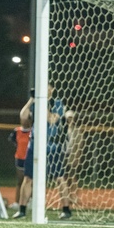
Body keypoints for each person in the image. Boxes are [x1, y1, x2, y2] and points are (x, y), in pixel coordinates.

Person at [13, 84, 74, 220]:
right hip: (34, 145)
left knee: (59, 177)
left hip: (52, 146)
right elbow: (23, 117)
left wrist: (43, 103)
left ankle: (66, 209)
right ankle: (22, 209)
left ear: (52, 90)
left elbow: (52, 119)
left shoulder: (57, 103)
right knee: (28, 178)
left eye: (47, 87)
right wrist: (32, 100)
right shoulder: (35, 103)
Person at [7, 117, 32, 210]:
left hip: (29, 158)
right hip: (20, 158)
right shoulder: (17, 131)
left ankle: (30, 201)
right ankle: (17, 202)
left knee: (30, 181)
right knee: (20, 181)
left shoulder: (33, 131)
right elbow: (13, 141)